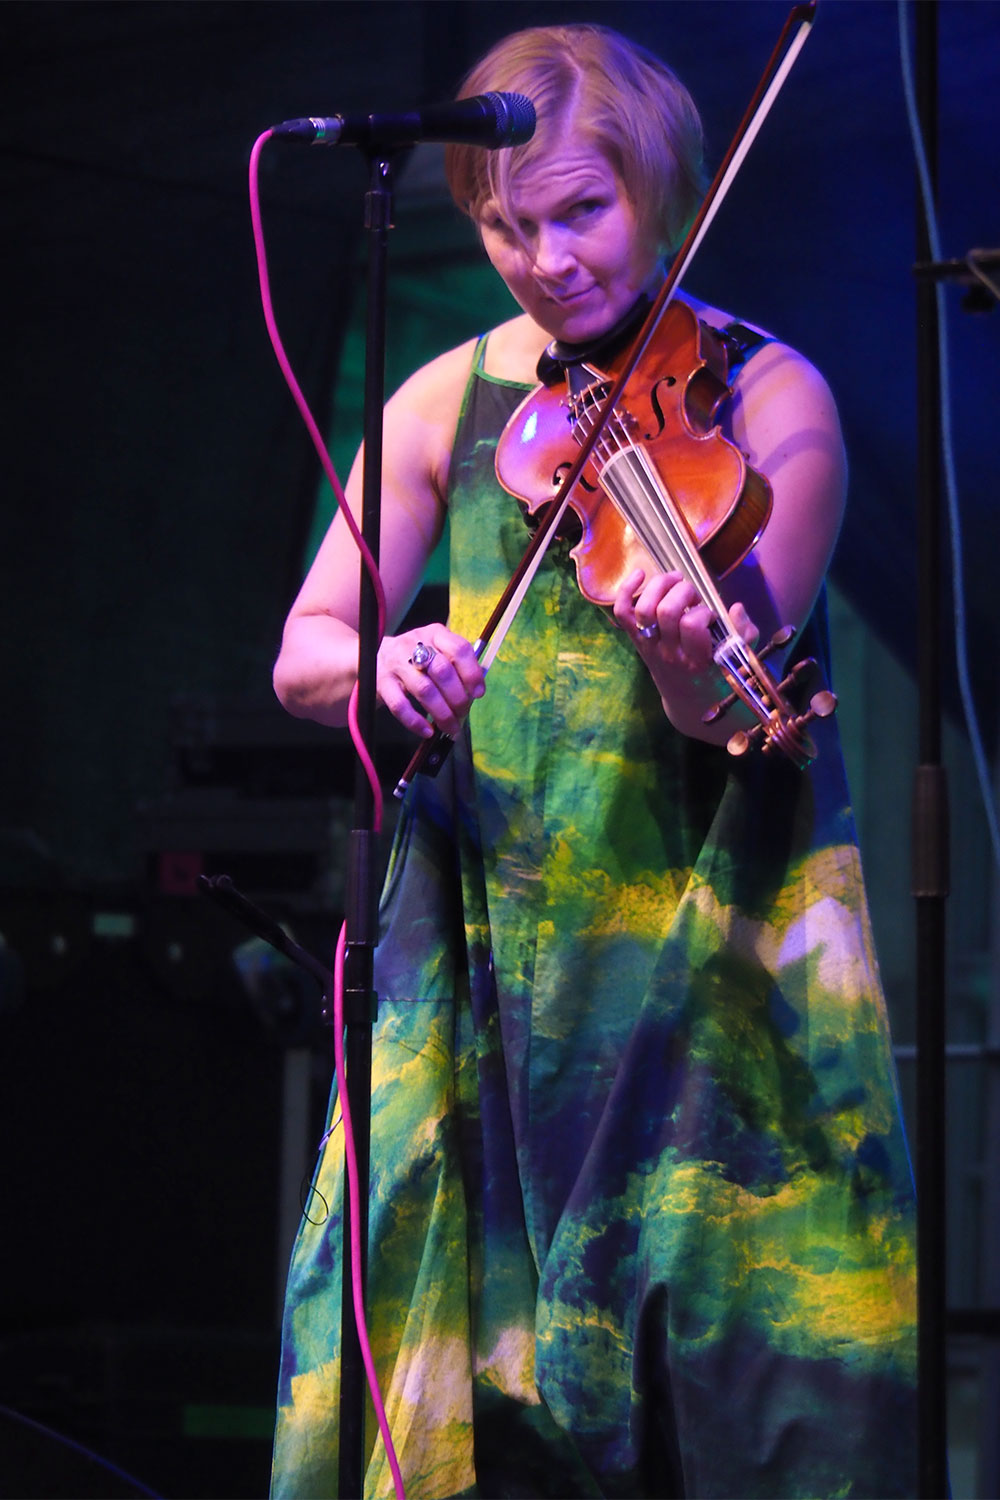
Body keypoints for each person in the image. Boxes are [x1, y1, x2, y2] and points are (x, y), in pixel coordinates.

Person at [269, 22, 917, 1500]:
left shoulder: (770, 400)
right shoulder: (446, 398)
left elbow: (731, 713)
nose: (548, 259)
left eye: (582, 211)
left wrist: (684, 647)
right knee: (474, 1383)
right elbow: (307, 649)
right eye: (508, 226)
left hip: (704, 938)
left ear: (666, 192)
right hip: (492, 934)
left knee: (727, 1372)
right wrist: (383, 664)